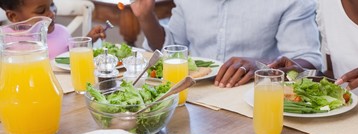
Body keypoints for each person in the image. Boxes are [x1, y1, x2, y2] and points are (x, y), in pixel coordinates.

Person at [129, 0, 323, 88]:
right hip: (193, 100)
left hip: (254, 101)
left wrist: (262, 66)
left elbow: (309, 60)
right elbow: (172, 48)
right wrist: (146, 17)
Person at [0, 0, 106, 59]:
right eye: (41, 10)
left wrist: (88, 40)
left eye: (52, 5)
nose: (51, 13)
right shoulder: (5, 42)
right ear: (13, 16)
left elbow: (70, 59)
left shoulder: (62, 33)